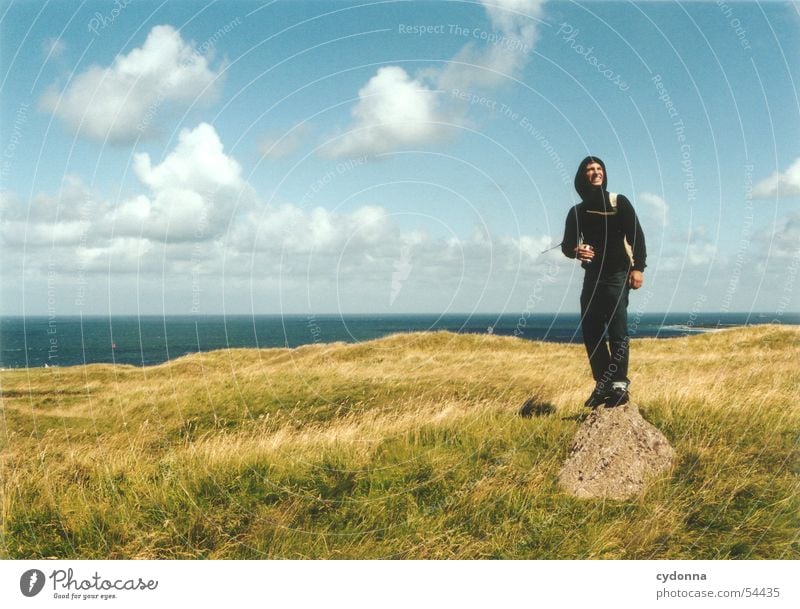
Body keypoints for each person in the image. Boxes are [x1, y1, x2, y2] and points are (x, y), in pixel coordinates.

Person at [561, 156, 646, 407]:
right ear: (582, 176)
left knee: (617, 329)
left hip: (618, 273)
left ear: (604, 173)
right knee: (592, 330)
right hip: (592, 276)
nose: (596, 173)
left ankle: (620, 383)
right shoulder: (577, 211)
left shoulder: (618, 202)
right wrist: (576, 251)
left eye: (599, 169)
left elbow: (637, 237)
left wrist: (638, 269)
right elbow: (567, 245)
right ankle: (603, 383)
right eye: (590, 170)